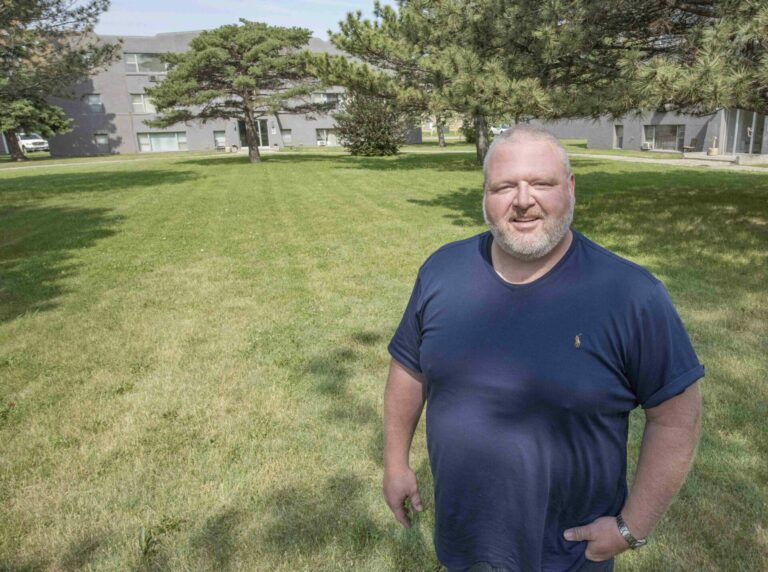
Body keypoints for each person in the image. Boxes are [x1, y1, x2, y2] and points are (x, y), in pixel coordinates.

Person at [383, 125, 704, 572]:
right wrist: (396, 464)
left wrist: (632, 527)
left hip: (565, 556)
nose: (522, 200)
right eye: (504, 186)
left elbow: (676, 417)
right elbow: (408, 368)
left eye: (541, 183)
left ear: (570, 188)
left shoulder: (631, 295)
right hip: (462, 544)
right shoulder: (442, 271)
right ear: (485, 194)